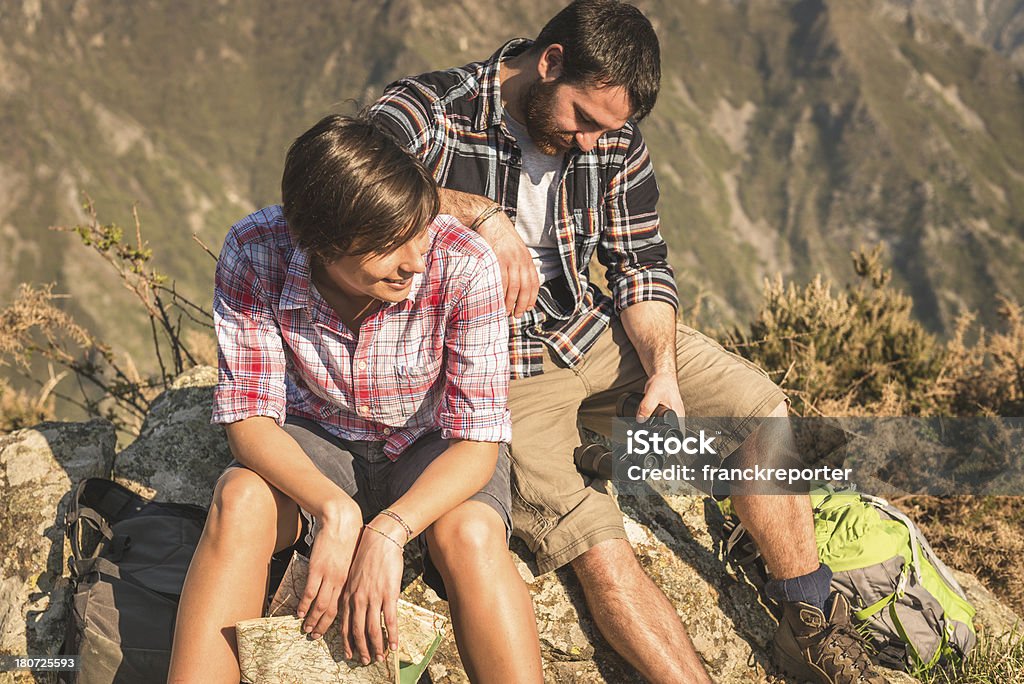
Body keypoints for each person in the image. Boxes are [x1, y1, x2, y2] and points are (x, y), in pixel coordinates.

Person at [370, 1, 884, 682]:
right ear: (549, 62)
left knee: (755, 406)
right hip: (495, 368)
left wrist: (662, 371)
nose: (590, 141)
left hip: (590, 331)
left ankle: (809, 619)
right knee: (595, 541)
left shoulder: (613, 137)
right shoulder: (435, 107)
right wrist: (480, 217)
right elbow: (352, 175)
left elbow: (639, 264)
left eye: (607, 128)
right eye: (583, 118)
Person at [167, 115, 543, 684]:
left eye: (419, 230)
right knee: (241, 498)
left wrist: (389, 530)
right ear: (322, 243)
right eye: (391, 246)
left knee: (470, 533)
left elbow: (477, 441)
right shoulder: (255, 251)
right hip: (317, 439)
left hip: (430, 444)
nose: (416, 260)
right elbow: (250, 420)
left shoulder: (462, 263)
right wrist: (334, 511)